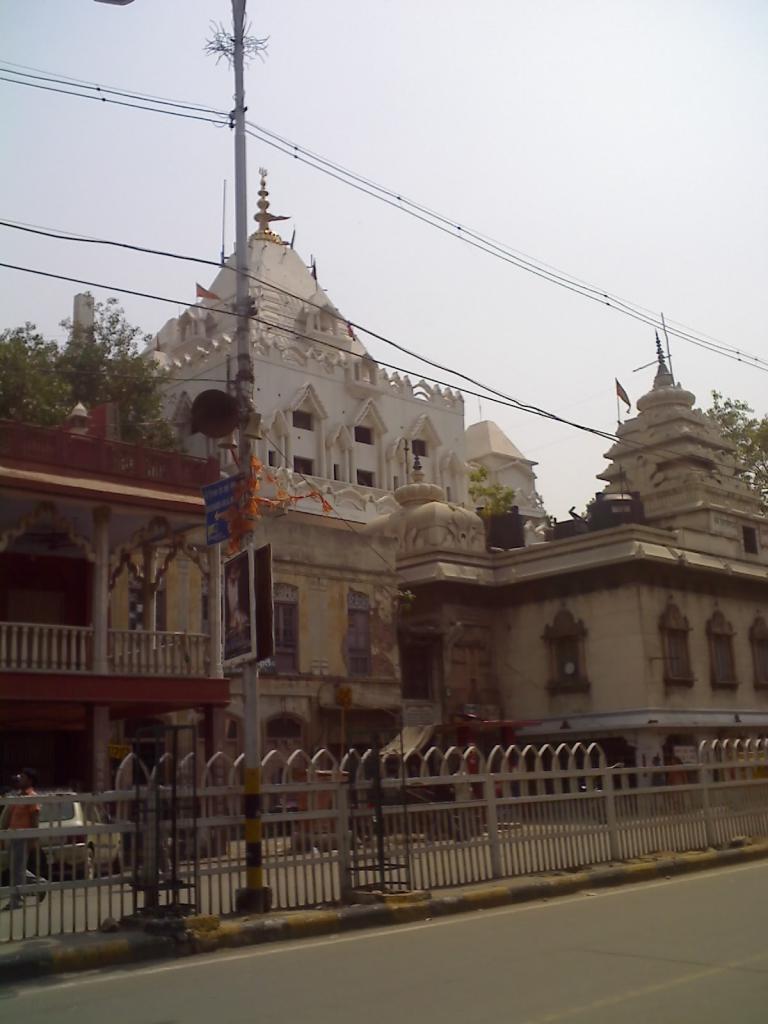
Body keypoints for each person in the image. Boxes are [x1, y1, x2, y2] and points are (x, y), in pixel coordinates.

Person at [1, 768, 46, 910]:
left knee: (17, 870)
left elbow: (34, 818)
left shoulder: (31, 797)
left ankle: (17, 900)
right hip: (13, 837)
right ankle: (39, 883)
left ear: (30, 780)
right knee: (15, 868)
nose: (20, 779)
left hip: (23, 837)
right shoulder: (18, 796)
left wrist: (32, 838)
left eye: (23, 777)